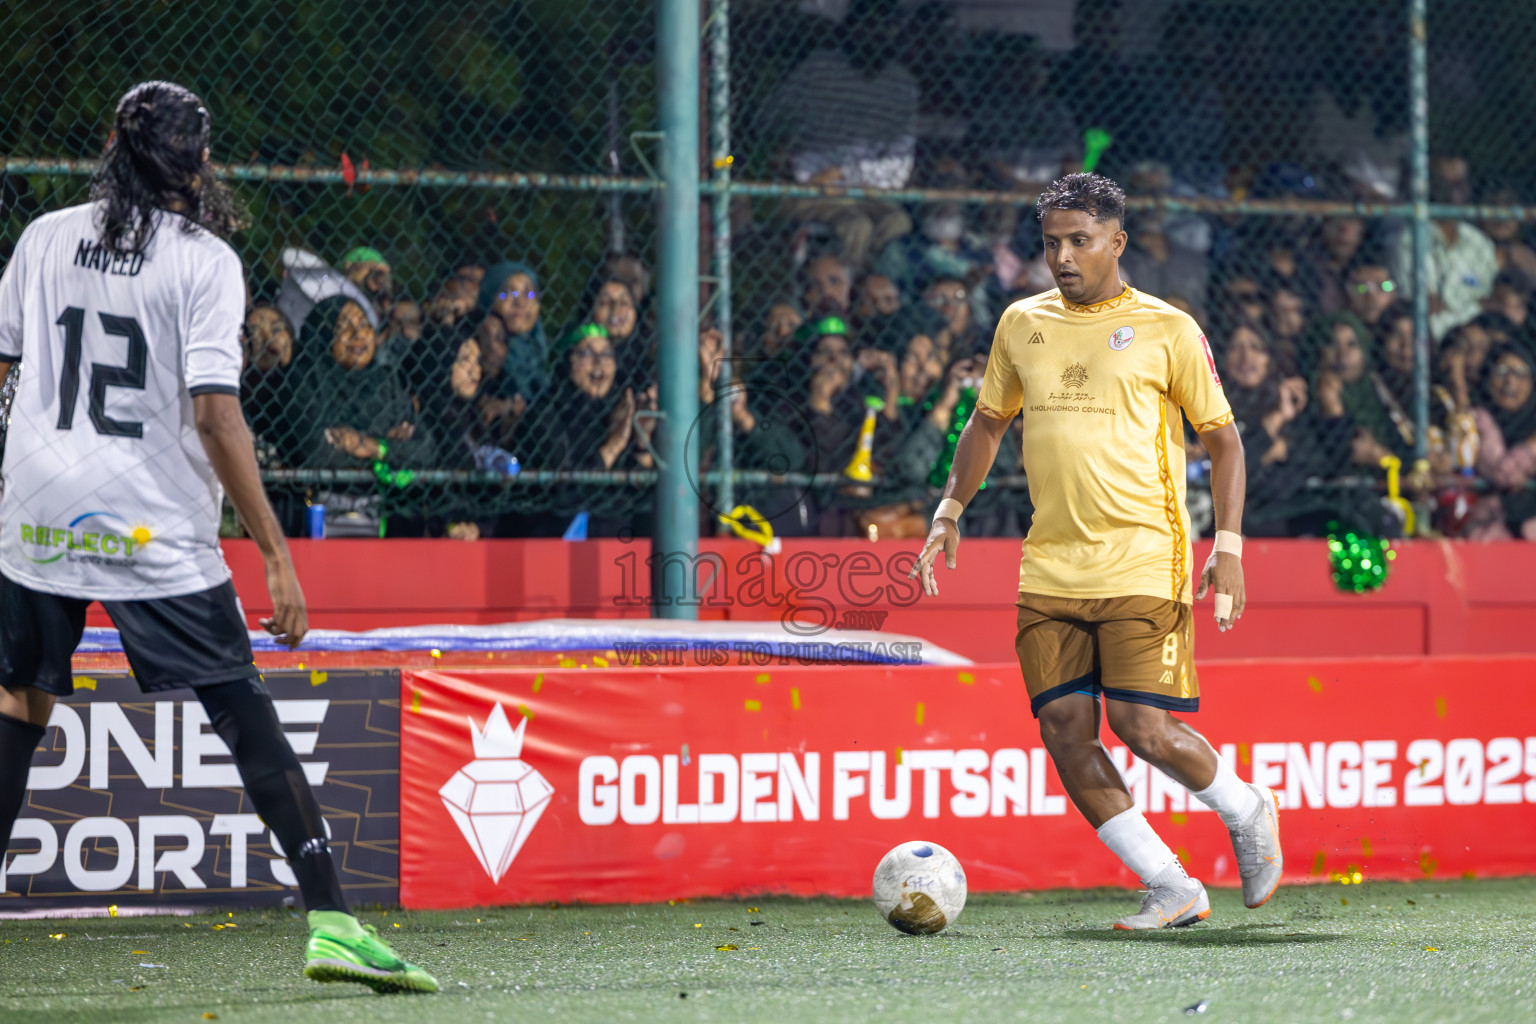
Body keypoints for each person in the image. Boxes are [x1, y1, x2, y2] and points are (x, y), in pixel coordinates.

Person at [0, 82, 436, 992]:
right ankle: (333, 921)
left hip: (34, 510)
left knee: (16, 709)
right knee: (239, 708)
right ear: (197, 162)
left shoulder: (43, 237)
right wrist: (275, 551)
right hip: (148, 525)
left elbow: (5, 375)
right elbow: (216, 416)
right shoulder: (205, 260)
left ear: (112, 147)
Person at [910, 173, 1281, 930]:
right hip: (1049, 563)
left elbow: (1225, 440)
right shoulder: (1019, 322)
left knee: (1143, 730)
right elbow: (986, 423)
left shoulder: (1168, 327)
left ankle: (1244, 809)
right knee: (1065, 732)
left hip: (1145, 555)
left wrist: (1230, 545)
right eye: (1051, 243)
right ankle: (1171, 886)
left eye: (1079, 241)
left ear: (1117, 240)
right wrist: (950, 507)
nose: (1063, 257)